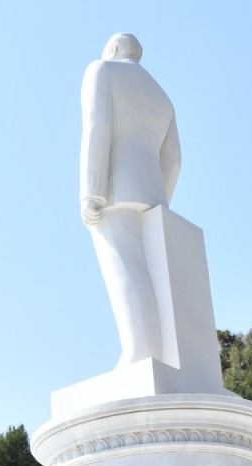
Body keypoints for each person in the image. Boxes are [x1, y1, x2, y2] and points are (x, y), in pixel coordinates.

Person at [80, 32, 185, 370]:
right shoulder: (163, 98)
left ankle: (139, 352)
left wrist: (92, 191)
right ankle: (153, 354)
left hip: (114, 190)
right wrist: (160, 199)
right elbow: (175, 161)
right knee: (151, 276)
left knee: (124, 269)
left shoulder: (102, 70)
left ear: (111, 50)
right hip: (153, 195)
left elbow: (97, 127)